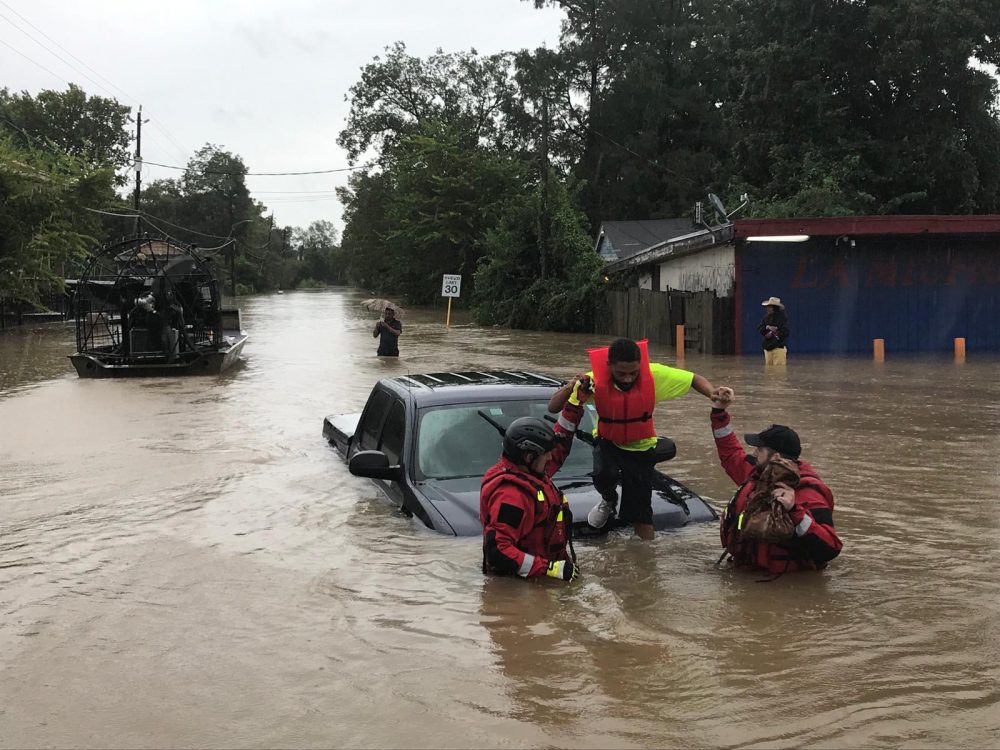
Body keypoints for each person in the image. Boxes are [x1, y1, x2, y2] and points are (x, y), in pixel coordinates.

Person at [547, 337, 730, 541]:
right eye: (621, 373)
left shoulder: (655, 375)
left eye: (633, 373)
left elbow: (694, 378)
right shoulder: (593, 380)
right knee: (602, 475)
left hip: (641, 450)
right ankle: (608, 500)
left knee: (642, 515)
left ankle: (645, 558)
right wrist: (571, 385)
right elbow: (553, 406)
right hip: (608, 442)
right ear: (609, 366)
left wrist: (712, 393)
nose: (627, 379)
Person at [710, 388, 842, 575]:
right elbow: (730, 453)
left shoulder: (808, 492)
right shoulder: (756, 474)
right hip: (746, 574)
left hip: (787, 585)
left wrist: (795, 511)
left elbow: (830, 548)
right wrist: (719, 412)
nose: (754, 453)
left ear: (776, 457)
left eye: (760, 449)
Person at [480, 381, 591, 582]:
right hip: (523, 585)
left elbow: (560, 444)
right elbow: (498, 552)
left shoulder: (530, 470)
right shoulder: (511, 496)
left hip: (543, 575)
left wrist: (575, 403)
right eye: (545, 455)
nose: (551, 458)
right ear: (529, 457)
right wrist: (549, 569)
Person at [758, 296, 790, 365]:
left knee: (779, 371)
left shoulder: (782, 317)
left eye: (770, 307)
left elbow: (786, 331)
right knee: (768, 371)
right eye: (767, 306)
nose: (767, 308)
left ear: (775, 308)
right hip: (767, 347)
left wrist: (775, 335)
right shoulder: (766, 318)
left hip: (778, 347)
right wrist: (767, 328)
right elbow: (760, 328)